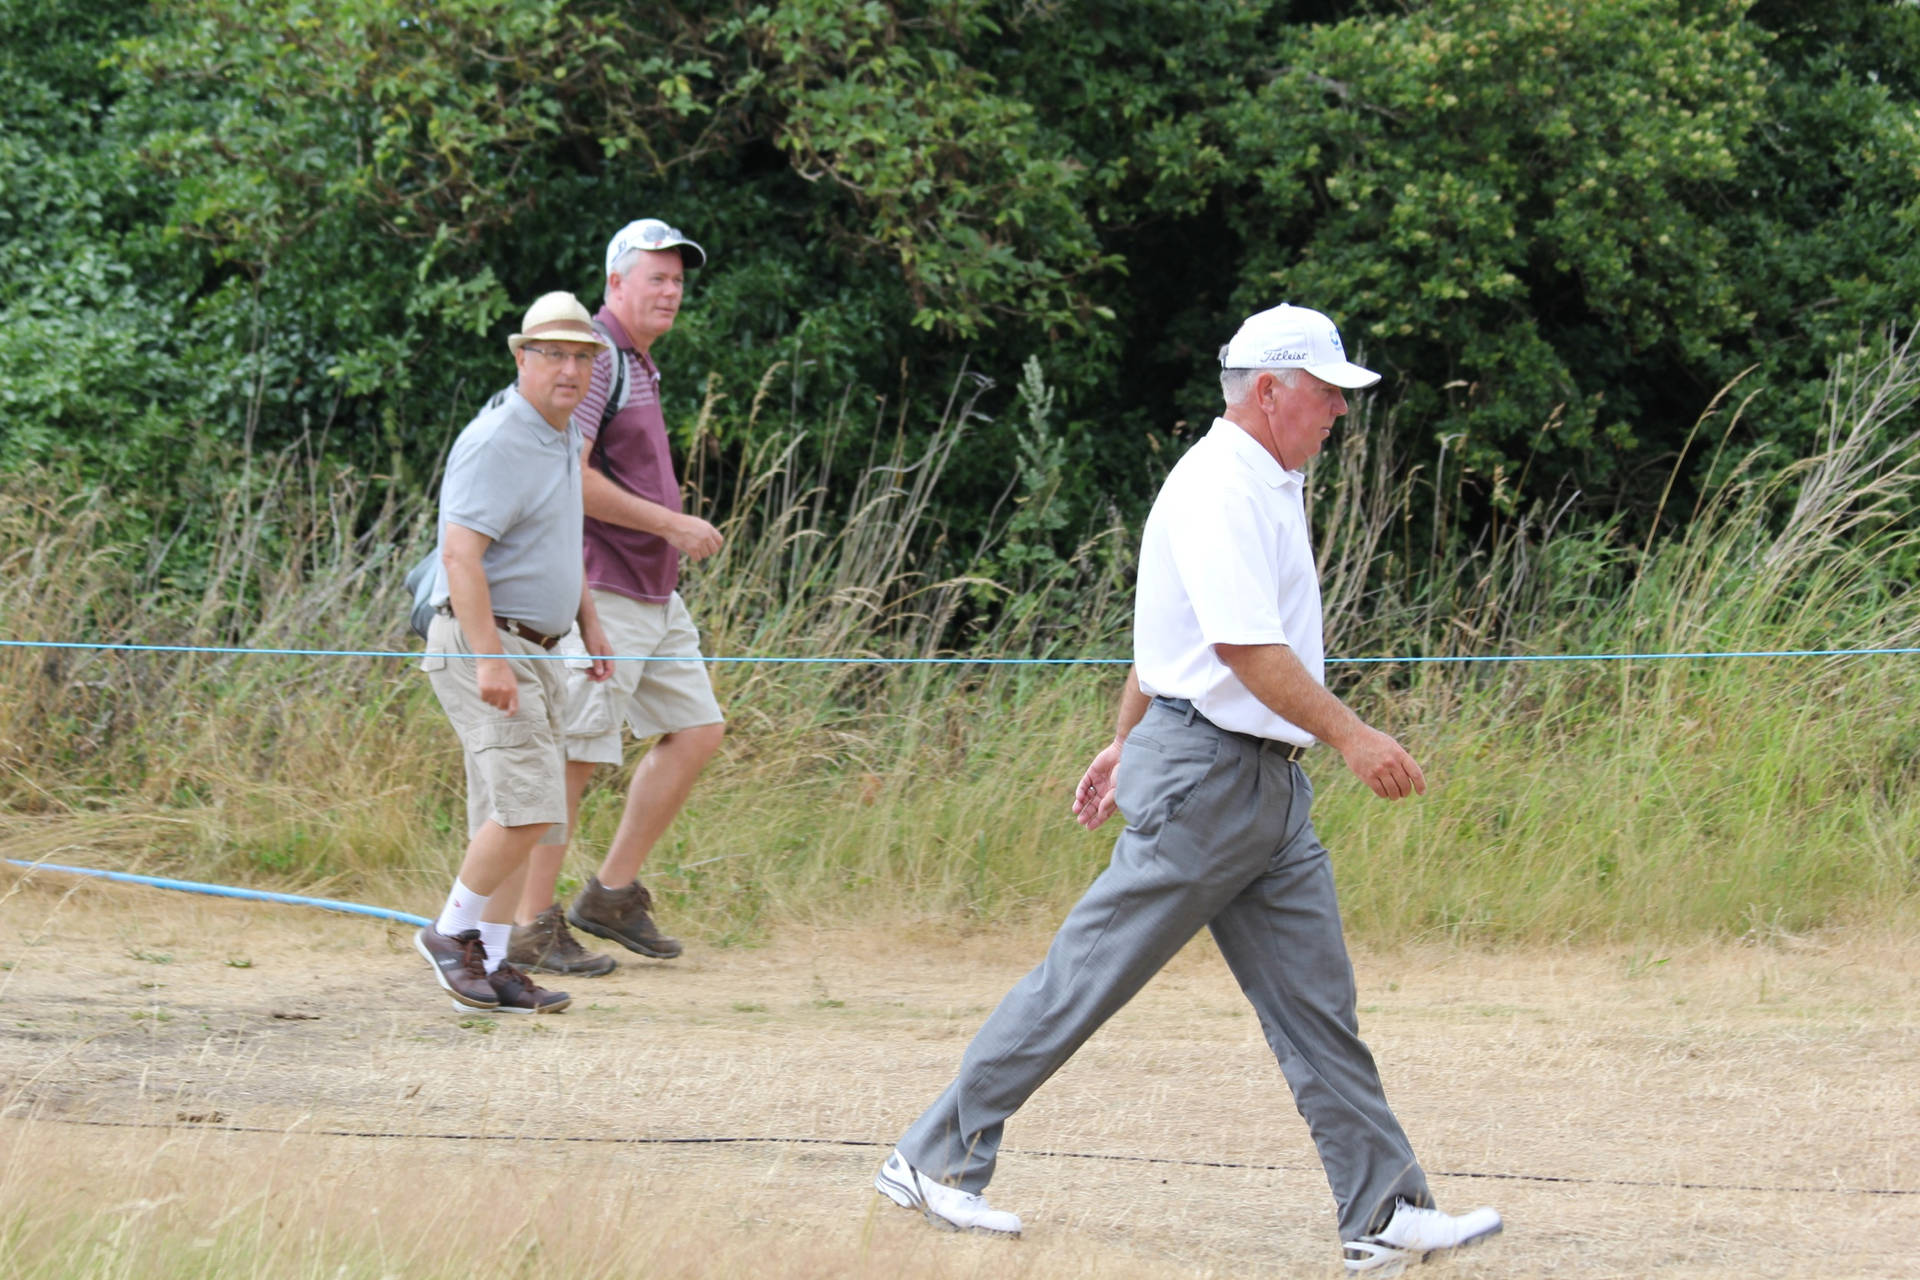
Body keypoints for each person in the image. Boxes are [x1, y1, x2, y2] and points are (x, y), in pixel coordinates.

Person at [872, 305, 1504, 1274]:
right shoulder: (1219, 485)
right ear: (1269, 392)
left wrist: (1125, 738)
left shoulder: (1266, 478)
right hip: (1213, 776)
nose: (1340, 409)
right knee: (1087, 973)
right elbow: (1243, 647)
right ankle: (931, 1158)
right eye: (1328, 391)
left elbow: (1167, 634)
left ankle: (1382, 1212)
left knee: (1317, 1005)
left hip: (1256, 784)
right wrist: (1352, 734)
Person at [501, 218, 727, 977]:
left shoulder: (638, 362)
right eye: (655, 278)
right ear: (615, 284)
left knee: (697, 731)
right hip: (604, 586)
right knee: (575, 754)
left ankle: (610, 895)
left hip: (653, 589)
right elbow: (575, 478)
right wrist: (672, 522)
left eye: (677, 280)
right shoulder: (597, 360)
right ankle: (534, 923)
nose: (671, 292)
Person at [413, 291, 615, 1015]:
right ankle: (449, 933)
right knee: (529, 806)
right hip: (486, 642)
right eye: (553, 353)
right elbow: (461, 556)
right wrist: (490, 659)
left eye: (582, 356)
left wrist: (588, 621)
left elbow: (559, 542)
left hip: (540, 644)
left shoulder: (559, 434)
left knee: (517, 808)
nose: (569, 368)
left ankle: (493, 963)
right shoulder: (499, 438)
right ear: (522, 358)